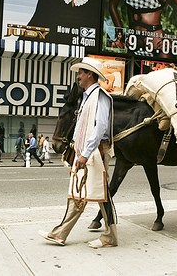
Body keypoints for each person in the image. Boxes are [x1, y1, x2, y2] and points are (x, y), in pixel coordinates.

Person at [39, 57, 118, 248]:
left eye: (80, 73)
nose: (78, 77)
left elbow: (100, 129)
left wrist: (85, 154)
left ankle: (107, 237)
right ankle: (61, 233)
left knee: (97, 193)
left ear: (89, 74)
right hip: (86, 151)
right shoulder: (87, 97)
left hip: (94, 153)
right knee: (84, 192)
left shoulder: (100, 97)